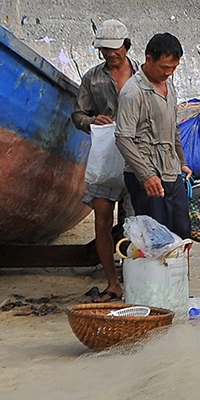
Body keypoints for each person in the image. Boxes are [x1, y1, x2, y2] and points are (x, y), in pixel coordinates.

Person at [73, 19, 135, 299]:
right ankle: (113, 282)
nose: (110, 54)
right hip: (105, 154)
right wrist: (91, 121)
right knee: (101, 219)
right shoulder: (92, 78)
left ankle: (135, 279)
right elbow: (77, 115)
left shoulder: (142, 76)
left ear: (126, 45)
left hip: (136, 156)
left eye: (114, 48)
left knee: (137, 221)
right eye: (105, 50)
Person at [115, 31, 192, 239]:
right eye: (165, 68)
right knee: (156, 238)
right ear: (148, 59)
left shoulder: (170, 86)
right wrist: (146, 175)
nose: (169, 73)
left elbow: (173, 128)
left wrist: (182, 162)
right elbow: (123, 138)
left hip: (171, 171)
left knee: (182, 232)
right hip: (146, 174)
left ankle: (179, 273)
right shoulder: (133, 92)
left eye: (173, 68)